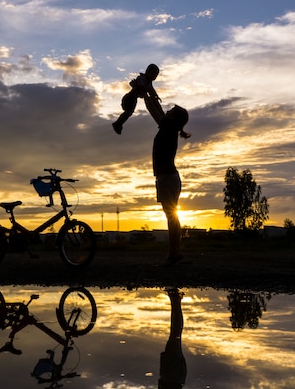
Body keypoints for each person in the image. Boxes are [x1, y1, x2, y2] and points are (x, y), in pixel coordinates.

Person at [143, 90, 191, 265]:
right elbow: (157, 109)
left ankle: (174, 253)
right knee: (172, 216)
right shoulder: (168, 127)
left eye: (172, 110)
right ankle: (174, 253)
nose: (168, 111)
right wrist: (149, 93)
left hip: (168, 179)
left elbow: (153, 110)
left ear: (174, 118)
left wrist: (146, 94)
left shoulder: (168, 128)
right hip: (170, 178)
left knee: (171, 216)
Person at [112, 63, 161, 134]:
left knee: (129, 112)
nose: (154, 77)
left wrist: (155, 96)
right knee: (128, 112)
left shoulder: (149, 82)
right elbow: (141, 87)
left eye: (156, 75)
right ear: (148, 72)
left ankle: (118, 124)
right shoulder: (142, 78)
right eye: (153, 74)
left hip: (134, 99)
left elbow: (151, 90)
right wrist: (147, 91)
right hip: (130, 98)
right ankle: (118, 124)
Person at [159, 288, 187, 388]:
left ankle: (175, 299)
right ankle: (175, 299)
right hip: (170, 378)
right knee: (175, 334)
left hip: (176, 378)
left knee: (175, 334)